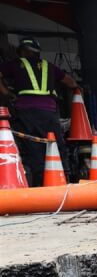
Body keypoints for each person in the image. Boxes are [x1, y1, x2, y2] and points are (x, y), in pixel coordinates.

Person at [0, 38, 78, 187]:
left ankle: (38, 184)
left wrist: (6, 93)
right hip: (49, 111)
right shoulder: (49, 66)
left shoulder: (16, 64)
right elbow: (71, 82)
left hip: (26, 111)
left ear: (22, 51)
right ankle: (63, 178)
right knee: (54, 144)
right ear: (37, 53)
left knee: (32, 148)